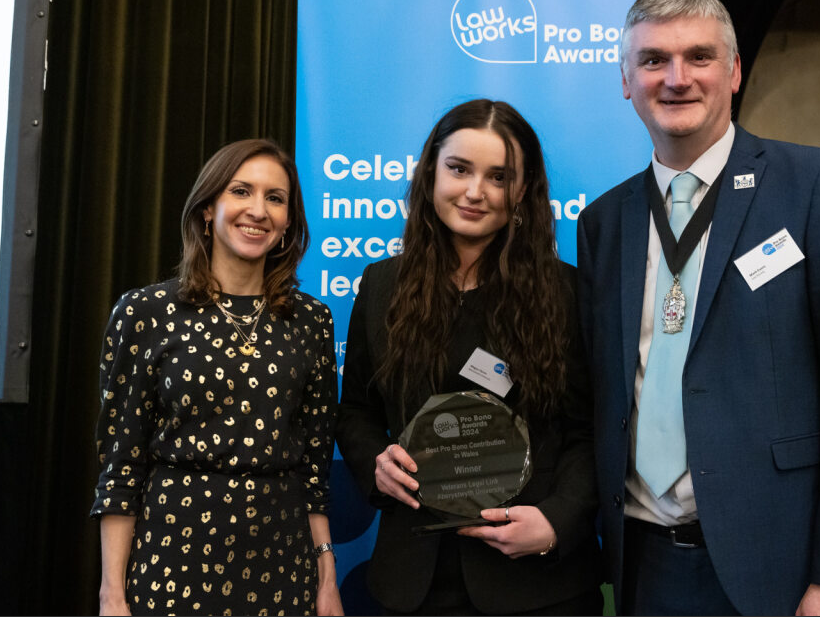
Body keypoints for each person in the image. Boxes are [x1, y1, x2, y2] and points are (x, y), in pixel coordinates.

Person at [576, 0, 820, 616]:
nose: (676, 78)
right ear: (625, 81)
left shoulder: (814, 187)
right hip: (642, 565)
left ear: (733, 72)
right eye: (652, 61)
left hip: (782, 569)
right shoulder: (604, 222)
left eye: (699, 57)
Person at [336, 99, 602, 615]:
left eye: (499, 177)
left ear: (522, 191)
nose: (475, 192)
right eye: (459, 169)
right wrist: (376, 464)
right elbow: (355, 412)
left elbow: (590, 431)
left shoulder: (565, 292)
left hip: (538, 584)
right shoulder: (382, 285)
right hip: (411, 581)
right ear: (430, 171)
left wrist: (557, 522)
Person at [91, 139, 344, 616]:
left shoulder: (313, 321)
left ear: (289, 221)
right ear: (208, 208)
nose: (258, 210)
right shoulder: (146, 312)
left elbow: (314, 472)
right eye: (241, 191)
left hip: (283, 566)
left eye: (275, 198)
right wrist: (112, 594)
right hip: (172, 562)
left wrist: (326, 579)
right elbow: (121, 467)